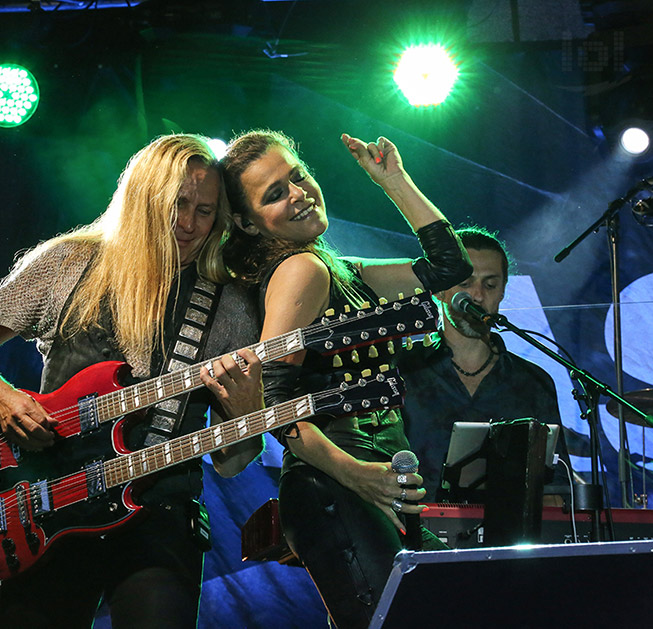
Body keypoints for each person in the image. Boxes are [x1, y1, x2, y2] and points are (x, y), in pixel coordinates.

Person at [0, 134, 264, 628]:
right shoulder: (68, 262)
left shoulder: (230, 304)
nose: (188, 224)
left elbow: (231, 462)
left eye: (204, 211)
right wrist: (5, 402)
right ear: (143, 198)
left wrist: (245, 414)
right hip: (46, 508)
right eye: (177, 204)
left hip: (158, 516)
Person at [220, 129, 472, 628]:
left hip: (371, 481)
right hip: (334, 484)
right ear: (248, 224)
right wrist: (354, 474)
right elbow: (275, 401)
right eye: (275, 193)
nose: (298, 193)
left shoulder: (337, 268)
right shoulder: (302, 271)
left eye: (298, 176)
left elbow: (448, 266)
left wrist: (393, 181)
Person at [397, 227, 570, 504]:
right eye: (465, 283)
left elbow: (557, 486)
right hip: (419, 533)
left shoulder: (533, 382)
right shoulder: (402, 371)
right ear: (440, 290)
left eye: (490, 285)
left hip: (510, 536)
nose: (477, 296)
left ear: (502, 291)